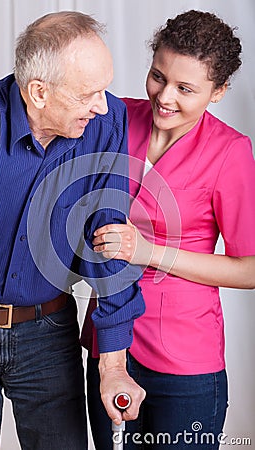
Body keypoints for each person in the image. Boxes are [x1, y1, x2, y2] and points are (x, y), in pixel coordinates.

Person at [0, 11, 146, 450]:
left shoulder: (107, 120)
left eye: (104, 89)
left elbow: (108, 233)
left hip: (48, 330)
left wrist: (114, 364)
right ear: (39, 92)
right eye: (87, 94)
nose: (102, 104)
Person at [82, 9, 255, 449]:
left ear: (219, 92)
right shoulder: (112, 120)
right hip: (111, 346)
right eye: (158, 76)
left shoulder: (231, 152)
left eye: (186, 88)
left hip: (186, 362)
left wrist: (150, 252)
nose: (165, 97)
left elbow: (250, 268)